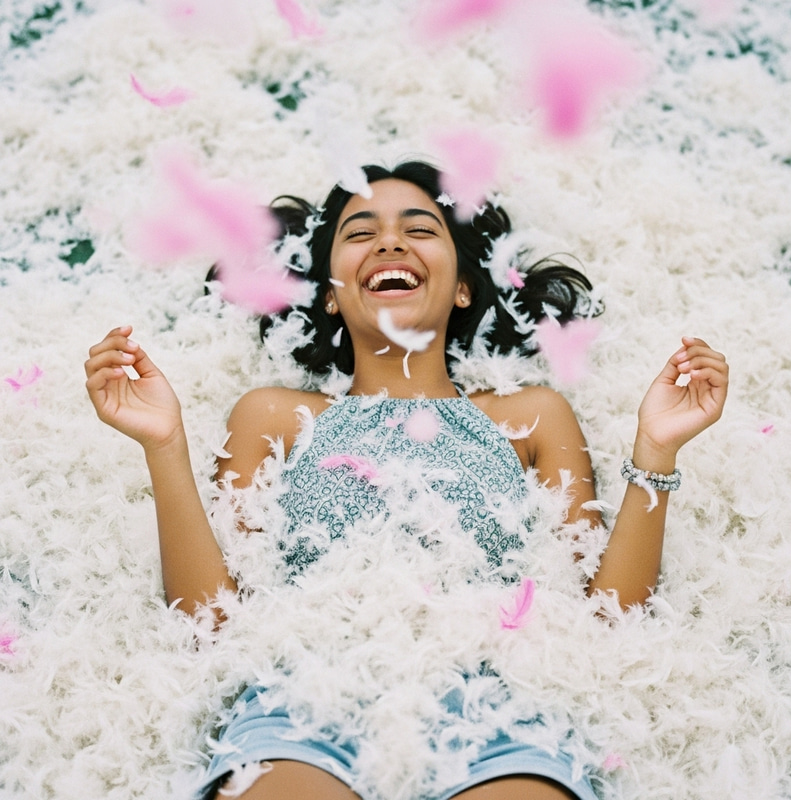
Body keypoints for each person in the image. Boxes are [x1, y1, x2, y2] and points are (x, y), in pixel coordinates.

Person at [84, 161, 728, 800]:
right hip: (304, 700)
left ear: (462, 289)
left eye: (419, 229)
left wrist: (658, 450)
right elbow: (214, 624)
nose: (390, 241)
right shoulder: (273, 415)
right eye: (360, 233)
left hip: (503, 709)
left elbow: (606, 619)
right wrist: (164, 447)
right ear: (331, 293)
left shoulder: (531, 416)